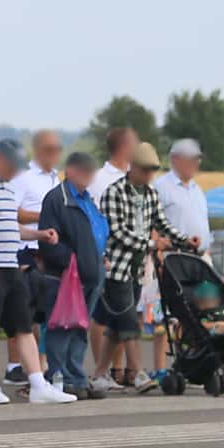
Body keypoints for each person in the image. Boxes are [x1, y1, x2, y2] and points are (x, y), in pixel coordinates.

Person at [0, 138, 73, 404]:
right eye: (14, 166)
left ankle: (38, 384)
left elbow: (11, 227)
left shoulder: (9, 188)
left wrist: (39, 234)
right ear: (0, 159)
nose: (17, 172)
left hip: (11, 264)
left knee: (23, 325)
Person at [99, 141, 196, 390]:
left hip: (138, 270)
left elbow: (163, 223)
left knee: (115, 324)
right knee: (130, 321)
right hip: (116, 269)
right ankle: (139, 373)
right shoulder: (114, 192)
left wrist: (183, 240)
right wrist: (152, 244)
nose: (149, 175)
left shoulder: (151, 194)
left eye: (152, 171)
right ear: (133, 166)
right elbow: (117, 231)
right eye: (145, 170)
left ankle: (99, 375)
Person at [36, 152, 105, 399]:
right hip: (65, 277)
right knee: (61, 327)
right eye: (84, 170)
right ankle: (59, 378)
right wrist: (71, 262)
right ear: (71, 171)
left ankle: (76, 377)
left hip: (91, 274)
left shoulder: (87, 199)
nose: (89, 175)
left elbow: (97, 230)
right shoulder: (57, 199)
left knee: (79, 329)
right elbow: (48, 240)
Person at [8, 129, 63, 383]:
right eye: (50, 149)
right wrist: (44, 217)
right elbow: (13, 212)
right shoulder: (23, 176)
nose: (55, 154)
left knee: (44, 312)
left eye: (57, 149)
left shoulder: (56, 178)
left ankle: (41, 365)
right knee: (23, 311)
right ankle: (14, 366)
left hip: (49, 252)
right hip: (24, 250)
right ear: (38, 150)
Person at [88, 127, 136, 391]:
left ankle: (115, 369)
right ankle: (100, 370)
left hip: (131, 258)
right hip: (107, 255)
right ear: (124, 145)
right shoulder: (99, 178)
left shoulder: (134, 177)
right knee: (102, 314)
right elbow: (93, 216)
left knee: (122, 312)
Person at [157, 139, 212, 257]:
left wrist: (207, 247)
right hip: (174, 256)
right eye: (190, 159)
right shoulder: (161, 187)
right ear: (175, 159)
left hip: (200, 257)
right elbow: (152, 224)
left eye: (197, 159)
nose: (195, 163)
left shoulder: (197, 190)